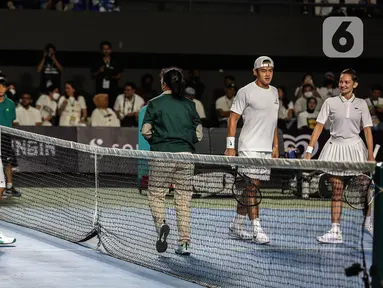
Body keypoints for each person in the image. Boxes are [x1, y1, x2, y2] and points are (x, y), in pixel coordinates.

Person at [304, 69, 374, 244]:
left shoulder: (362, 104)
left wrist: (371, 155)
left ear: (354, 84)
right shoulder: (330, 102)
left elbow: (367, 130)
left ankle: (368, 221)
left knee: (365, 188)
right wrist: (309, 150)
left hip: (356, 148)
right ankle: (335, 230)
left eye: (346, 82)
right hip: (335, 147)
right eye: (341, 82)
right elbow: (319, 126)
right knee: (336, 189)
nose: (342, 85)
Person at [141, 67, 202, 255]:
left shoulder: (154, 103)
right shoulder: (190, 104)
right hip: (186, 157)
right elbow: (198, 134)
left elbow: (146, 131)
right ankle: (184, 244)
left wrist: (157, 142)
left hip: (162, 155)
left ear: (163, 83)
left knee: (156, 194)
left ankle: (162, 225)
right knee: (183, 200)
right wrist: (184, 141)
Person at [225, 56, 279, 244]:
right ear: (255, 72)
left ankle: (237, 225)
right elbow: (232, 119)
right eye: (263, 70)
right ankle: (257, 229)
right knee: (252, 188)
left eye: (270, 70)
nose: (267, 74)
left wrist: (276, 145)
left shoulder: (274, 92)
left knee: (251, 189)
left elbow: (273, 121)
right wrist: (230, 147)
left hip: (265, 150)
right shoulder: (245, 91)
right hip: (249, 147)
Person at [0, 73, 17, 244]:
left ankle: (10, 186)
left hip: (5, 137)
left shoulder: (10, 104)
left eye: (2, 85)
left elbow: (12, 121)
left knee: (7, 163)